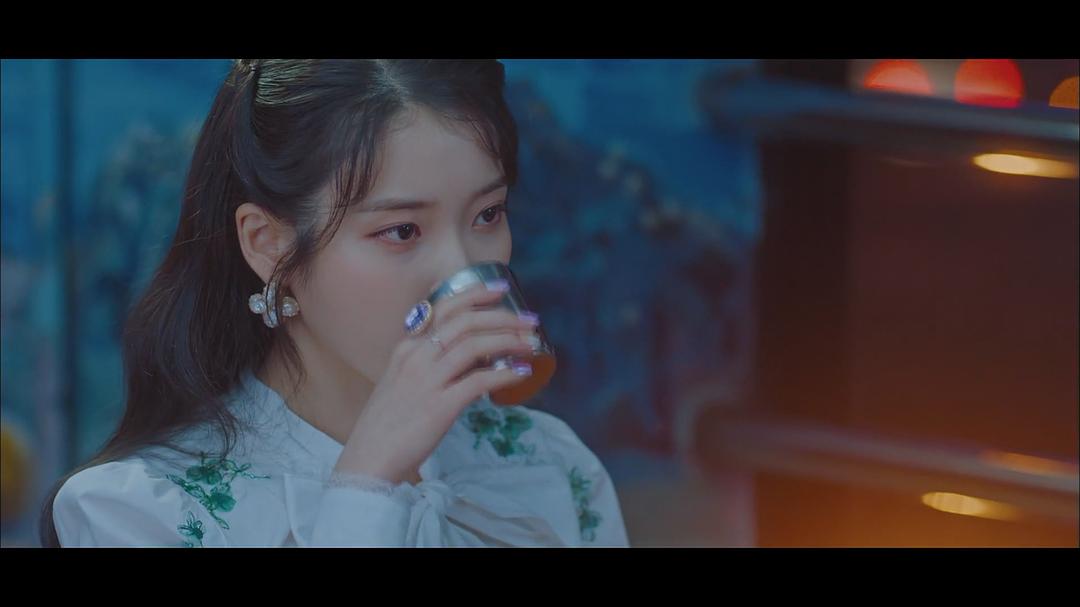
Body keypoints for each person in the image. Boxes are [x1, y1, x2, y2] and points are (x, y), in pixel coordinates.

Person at [40, 59, 628, 547]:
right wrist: (367, 485)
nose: (464, 273)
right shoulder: (141, 513)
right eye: (401, 231)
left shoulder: (550, 463)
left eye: (488, 214)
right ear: (268, 245)